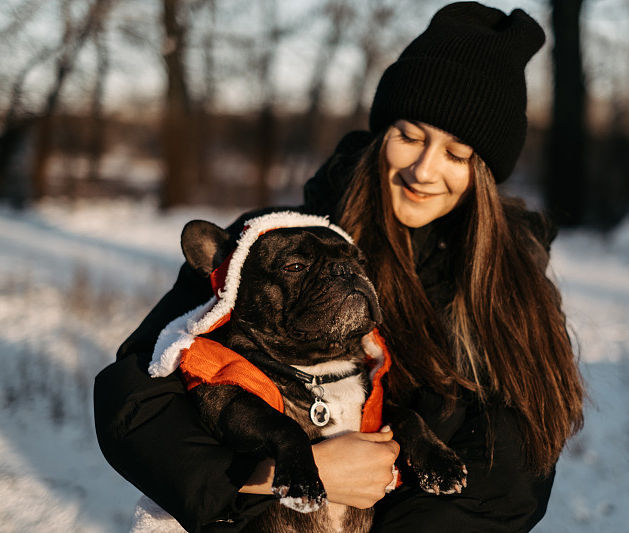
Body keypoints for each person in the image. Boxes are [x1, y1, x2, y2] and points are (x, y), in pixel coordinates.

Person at [93, 2, 585, 532]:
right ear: (381, 134)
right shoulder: (273, 242)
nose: (423, 170)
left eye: (457, 154)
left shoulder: (514, 290)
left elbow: (510, 473)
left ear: (485, 172)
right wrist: (267, 476)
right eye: (411, 136)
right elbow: (137, 397)